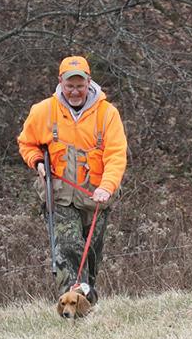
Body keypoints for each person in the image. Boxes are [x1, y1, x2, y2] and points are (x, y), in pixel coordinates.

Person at [17, 55, 127, 302]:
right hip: (60, 196)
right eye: (70, 86)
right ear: (60, 82)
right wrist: (36, 161)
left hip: (95, 197)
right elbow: (26, 142)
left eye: (80, 85)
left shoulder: (108, 114)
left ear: (89, 82)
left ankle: (87, 301)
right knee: (68, 250)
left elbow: (116, 155)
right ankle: (72, 307)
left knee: (91, 256)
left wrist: (107, 188)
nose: (75, 91)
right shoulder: (42, 111)